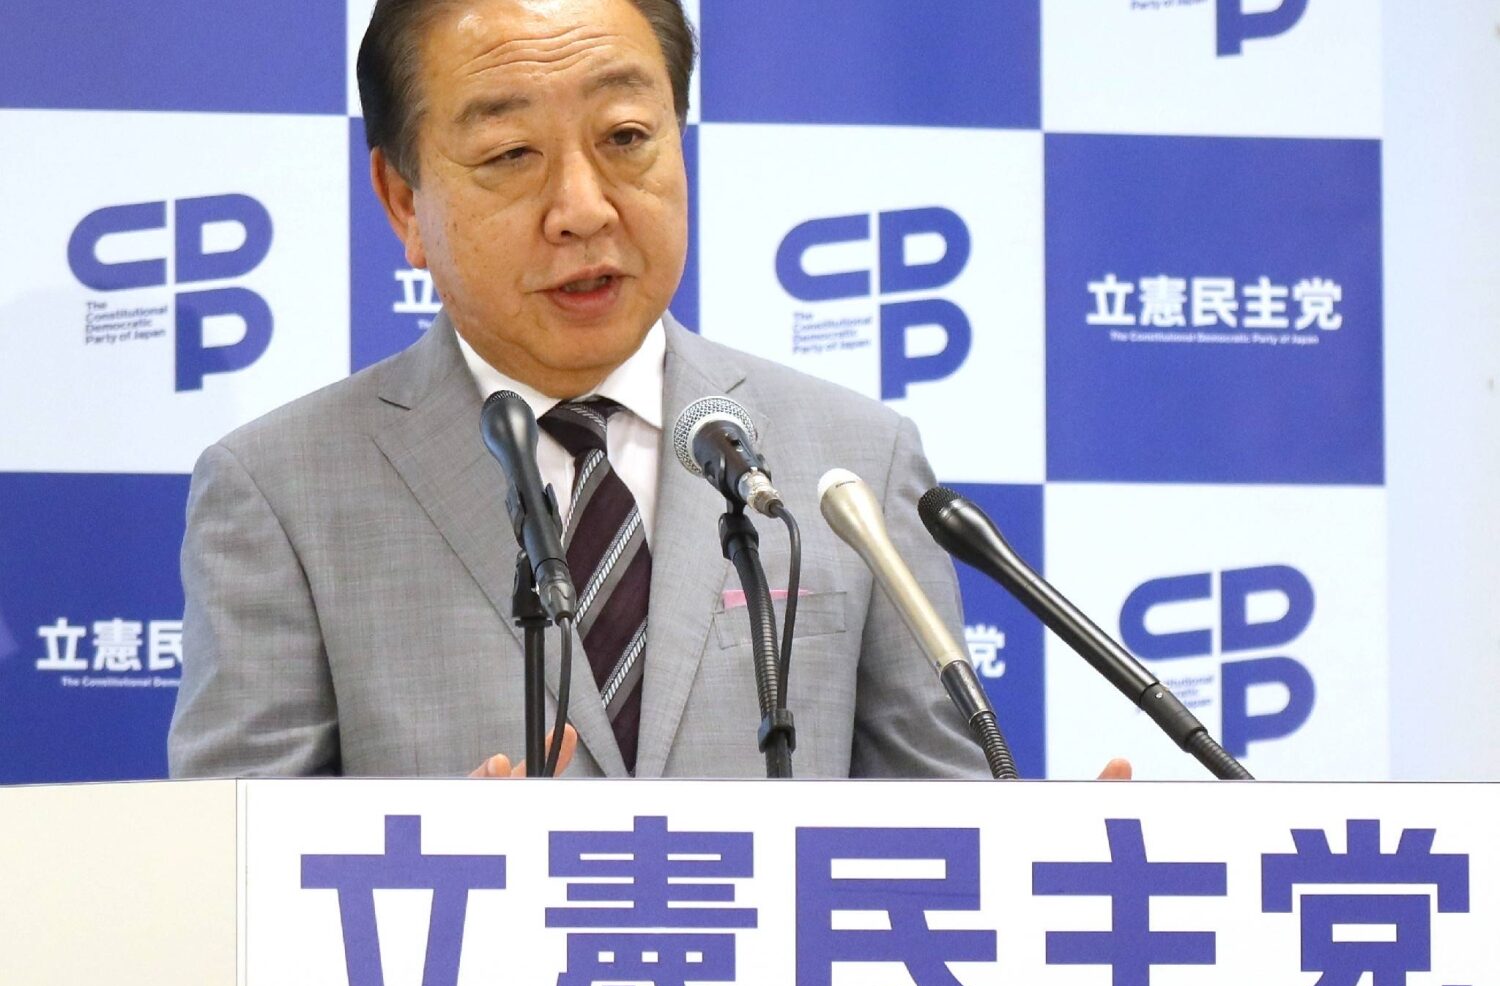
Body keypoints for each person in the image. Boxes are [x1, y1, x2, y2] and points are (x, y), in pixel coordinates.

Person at [168, 0, 1129, 783]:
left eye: (626, 136)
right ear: (402, 202)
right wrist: (428, 861)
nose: (583, 209)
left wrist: (1045, 873)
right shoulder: (281, 492)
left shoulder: (852, 461)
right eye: (511, 154)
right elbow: (228, 879)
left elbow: (942, 836)